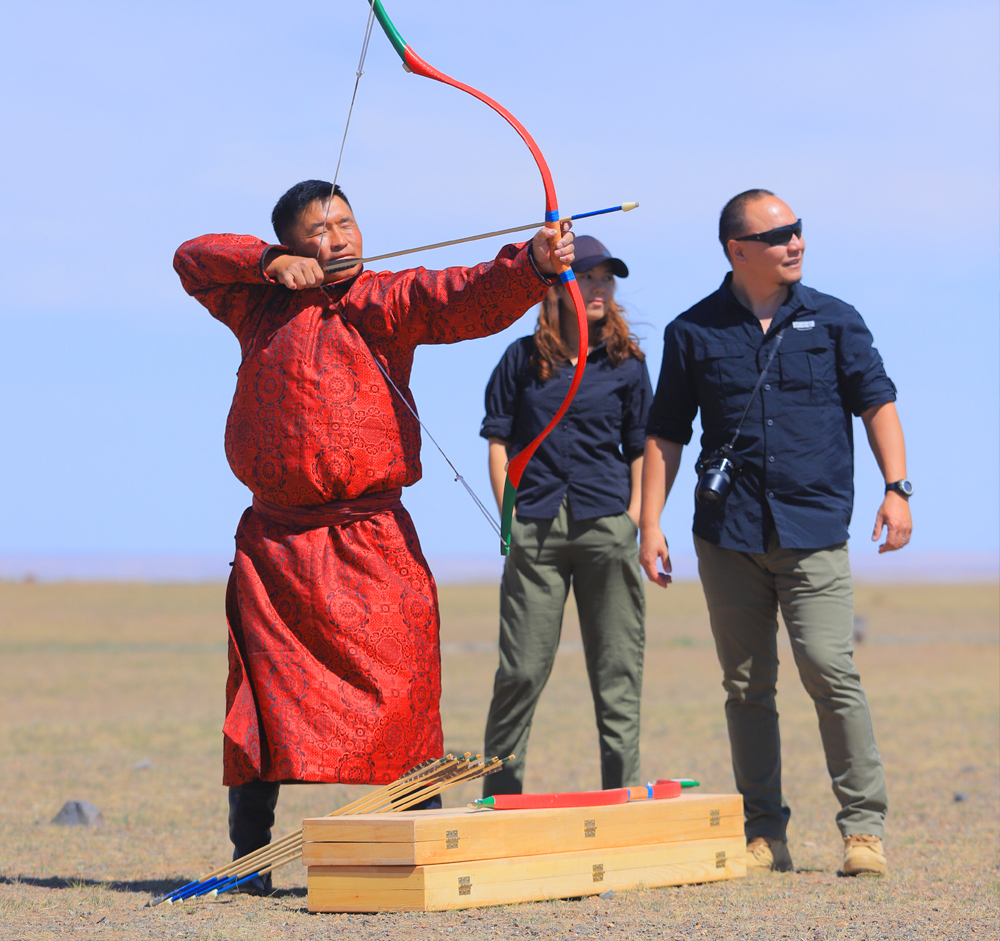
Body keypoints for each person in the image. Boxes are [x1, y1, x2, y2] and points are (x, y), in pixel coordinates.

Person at [174, 179, 575, 892]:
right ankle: (248, 859)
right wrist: (267, 263)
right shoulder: (255, 304)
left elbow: (464, 295)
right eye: (320, 230)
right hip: (277, 547)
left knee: (405, 695)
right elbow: (194, 257)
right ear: (293, 245)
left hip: (369, 538)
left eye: (347, 222)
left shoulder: (387, 301)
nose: (340, 237)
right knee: (261, 704)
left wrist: (534, 266)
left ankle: (426, 849)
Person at [639, 189, 911, 877]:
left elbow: (877, 400)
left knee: (829, 668)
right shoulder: (691, 332)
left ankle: (863, 831)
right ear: (738, 251)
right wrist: (649, 521)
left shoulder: (835, 319)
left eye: (798, 230)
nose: (796, 242)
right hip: (727, 535)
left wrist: (897, 488)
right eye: (779, 234)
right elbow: (665, 433)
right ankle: (766, 835)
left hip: (815, 527)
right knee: (747, 685)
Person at [480, 235, 653, 796]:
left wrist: (634, 518)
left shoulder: (628, 365)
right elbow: (499, 443)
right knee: (521, 673)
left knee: (617, 677)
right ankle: (499, 803)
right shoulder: (521, 360)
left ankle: (620, 803)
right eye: (588, 276)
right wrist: (508, 518)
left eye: (608, 278)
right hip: (535, 527)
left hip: (608, 526)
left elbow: (642, 450)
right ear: (557, 285)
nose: (599, 287)